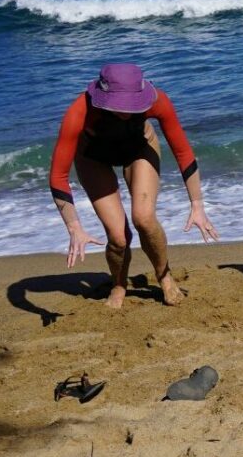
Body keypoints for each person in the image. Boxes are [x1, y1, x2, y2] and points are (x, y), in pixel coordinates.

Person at [48, 63, 218, 307]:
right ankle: (119, 284)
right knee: (118, 237)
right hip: (93, 156)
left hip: (138, 148)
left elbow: (183, 151)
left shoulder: (158, 101)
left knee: (144, 218)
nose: (127, 111)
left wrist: (197, 204)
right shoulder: (79, 111)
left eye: (132, 104)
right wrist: (74, 227)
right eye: (120, 104)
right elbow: (58, 175)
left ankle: (164, 276)